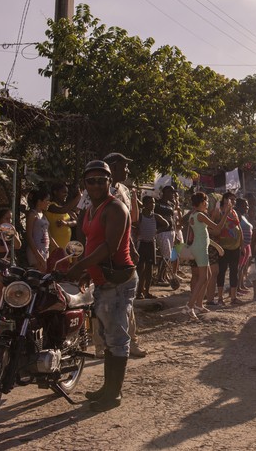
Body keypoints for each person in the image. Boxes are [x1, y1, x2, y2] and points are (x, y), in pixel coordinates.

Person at [67, 160, 136, 412]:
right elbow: (91, 242)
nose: (96, 185)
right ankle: (108, 389)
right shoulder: (90, 210)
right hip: (102, 279)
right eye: (90, 180)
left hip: (117, 280)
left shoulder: (116, 208)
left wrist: (79, 266)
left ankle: (114, 394)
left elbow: (110, 247)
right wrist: (87, 270)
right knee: (107, 337)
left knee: (117, 337)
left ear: (110, 182)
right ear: (83, 184)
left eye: (101, 180)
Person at [102, 152, 146, 358]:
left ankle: (132, 341)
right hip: (102, 252)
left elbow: (131, 220)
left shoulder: (124, 190)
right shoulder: (97, 190)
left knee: (126, 298)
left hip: (124, 251)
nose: (127, 170)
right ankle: (100, 345)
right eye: (123, 166)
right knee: (102, 299)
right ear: (112, 168)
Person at [184, 192, 230, 318]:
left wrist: (217, 246)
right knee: (203, 277)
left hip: (199, 247)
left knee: (207, 275)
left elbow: (204, 236)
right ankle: (190, 305)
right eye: (206, 201)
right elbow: (217, 228)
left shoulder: (194, 215)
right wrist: (226, 213)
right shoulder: (200, 215)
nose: (208, 204)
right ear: (202, 202)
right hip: (200, 249)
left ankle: (198, 305)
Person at [135, 195, 168, 300]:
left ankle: (147, 292)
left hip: (151, 243)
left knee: (149, 269)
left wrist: (157, 231)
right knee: (140, 269)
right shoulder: (140, 216)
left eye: (153, 203)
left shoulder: (156, 216)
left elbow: (167, 224)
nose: (152, 205)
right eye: (149, 202)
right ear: (144, 205)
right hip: (142, 243)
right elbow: (134, 225)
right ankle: (139, 291)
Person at [212, 192, 243, 305]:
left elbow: (239, 227)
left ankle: (233, 297)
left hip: (235, 247)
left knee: (234, 271)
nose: (233, 202)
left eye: (234, 200)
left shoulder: (234, 212)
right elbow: (213, 224)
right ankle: (220, 298)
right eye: (231, 199)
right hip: (223, 247)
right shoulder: (218, 211)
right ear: (224, 199)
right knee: (222, 272)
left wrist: (242, 243)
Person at [0, 208, 21, 307]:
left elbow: (18, 245)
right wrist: (11, 248)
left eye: (10, 219)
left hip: (11, 263)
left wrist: (13, 233)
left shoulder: (12, 232)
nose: (9, 221)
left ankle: (9, 311)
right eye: (7, 219)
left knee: (10, 289)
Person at [25, 187, 51, 271]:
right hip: (36, 251)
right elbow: (29, 236)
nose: (48, 203)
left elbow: (48, 233)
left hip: (45, 250)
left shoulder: (43, 215)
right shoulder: (32, 215)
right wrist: (37, 254)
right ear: (39, 201)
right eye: (47, 200)